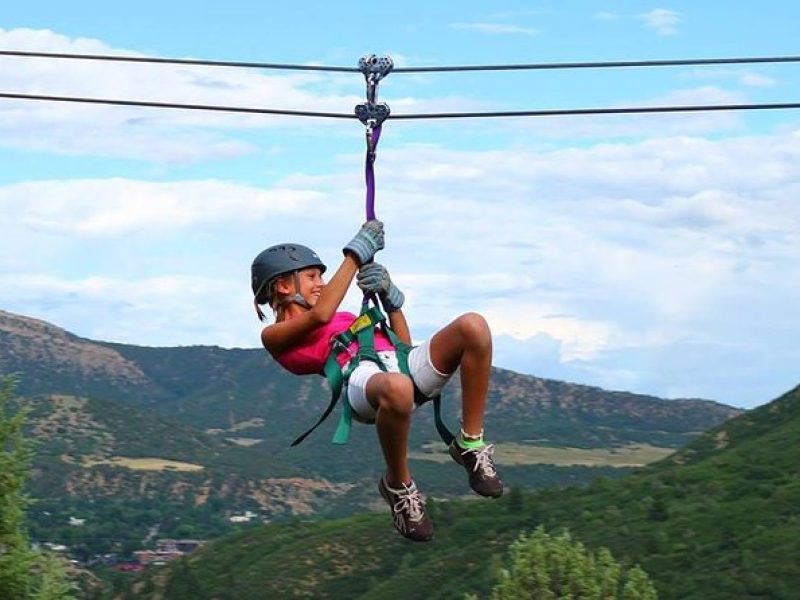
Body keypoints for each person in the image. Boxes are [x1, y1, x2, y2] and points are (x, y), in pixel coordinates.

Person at [251, 220, 502, 542]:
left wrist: (390, 300)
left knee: (473, 325)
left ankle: (469, 442)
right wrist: (354, 255)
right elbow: (319, 316)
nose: (322, 284)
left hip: (397, 367)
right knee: (397, 387)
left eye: (322, 277)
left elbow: (403, 346)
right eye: (313, 277)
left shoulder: (341, 315)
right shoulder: (274, 335)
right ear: (284, 287)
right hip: (361, 382)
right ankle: (398, 485)